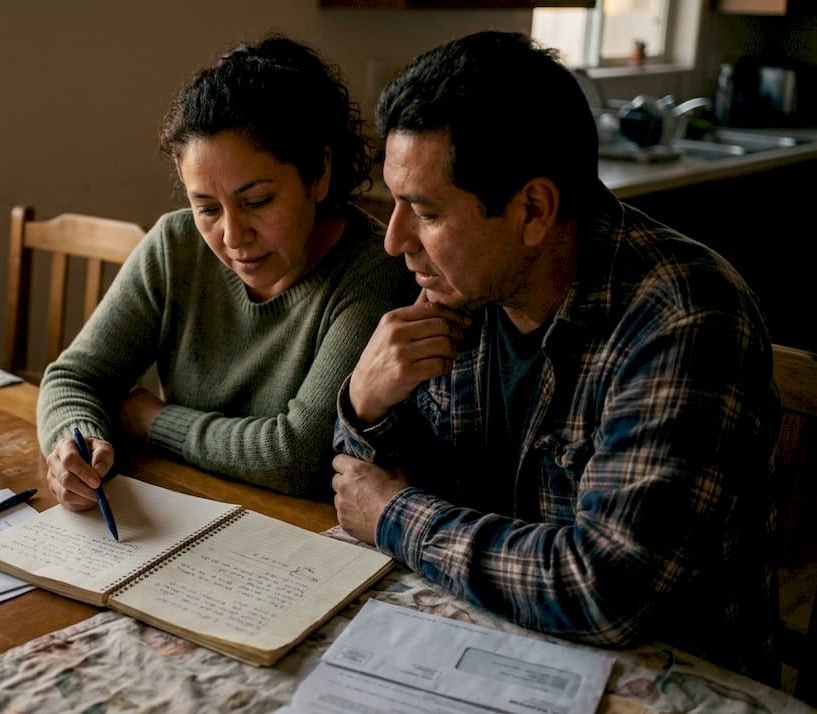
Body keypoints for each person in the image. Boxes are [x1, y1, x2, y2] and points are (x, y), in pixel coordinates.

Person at [331, 31, 781, 683]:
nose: (395, 240)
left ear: (534, 210)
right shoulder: (460, 285)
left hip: (668, 679)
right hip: (484, 646)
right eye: (395, 202)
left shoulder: (686, 316)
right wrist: (364, 404)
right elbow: (359, 489)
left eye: (424, 212)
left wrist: (396, 517)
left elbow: (606, 589)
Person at [38, 35, 414, 508]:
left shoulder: (373, 271)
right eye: (207, 208)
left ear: (319, 172)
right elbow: (73, 378)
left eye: (257, 201)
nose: (233, 236)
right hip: (180, 507)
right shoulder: (175, 244)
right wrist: (75, 443)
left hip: (298, 531)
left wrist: (151, 420)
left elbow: (296, 456)